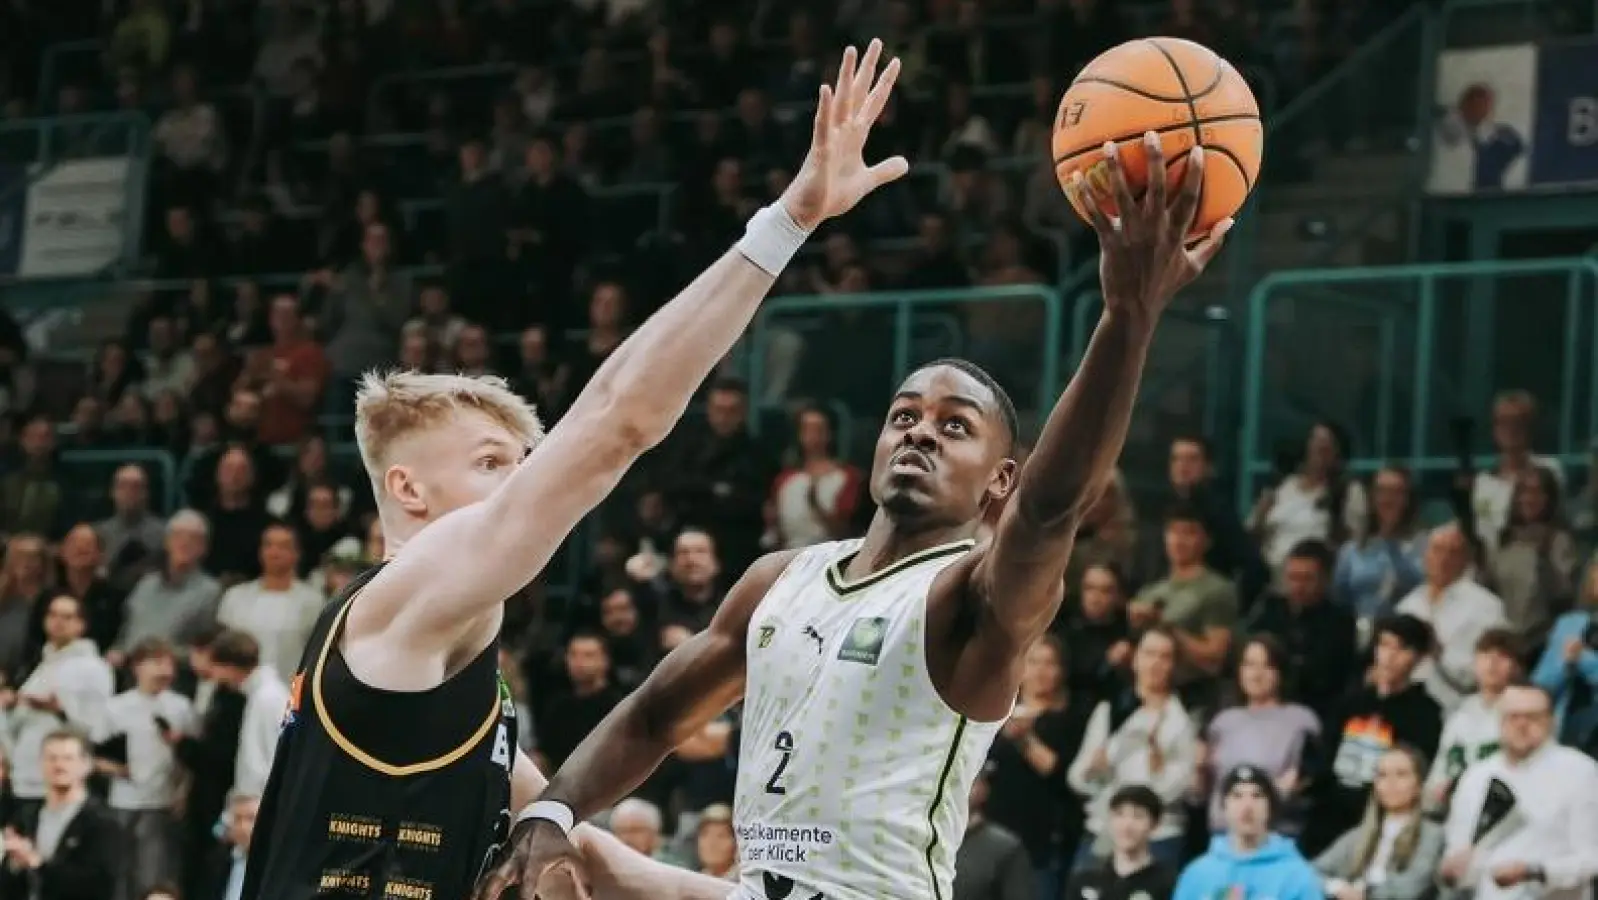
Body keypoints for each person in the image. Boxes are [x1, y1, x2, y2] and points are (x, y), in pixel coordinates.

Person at [242, 40, 912, 900]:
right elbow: (616, 424)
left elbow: (600, 863)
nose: (523, 485)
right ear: (407, 489)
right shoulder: (401, 597)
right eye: (493, 463)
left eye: (523, 465)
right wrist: (787, 224)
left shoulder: (460, 686)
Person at [486, 129, 1235, 899]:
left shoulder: (971, 595)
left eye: (954, 427)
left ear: (1000, 479)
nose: (920, 433)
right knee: (554, 843)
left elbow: (1050, 511)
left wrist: (1127, 317)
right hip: (758, 888)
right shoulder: (779, 579)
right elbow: (653, 718)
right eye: (905, 416)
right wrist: (553, 811)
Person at [1438, 683, 1598, 900]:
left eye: (1532, 717)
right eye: (1513, 716)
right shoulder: (1476, 776)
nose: (1521, 725)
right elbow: (1458, 853)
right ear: (1499, 721)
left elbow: (1592, 857)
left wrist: (1534, 871)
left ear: (1551, 721)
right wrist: (1453, 870)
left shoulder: (1581, 771)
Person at [1173, 766, 1322, 900]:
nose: (1247, 806)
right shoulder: (1197, 874)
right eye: (1237, 796)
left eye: (1257, 796)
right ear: (1224, 807)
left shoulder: (1297, 875)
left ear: (1270, 808)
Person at [1061, 786, 1177, 900]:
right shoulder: (1085, 878)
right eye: (1119, 814)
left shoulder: (1167, 883)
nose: (1127, 825)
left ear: (1155, 824)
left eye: (1138, 816)